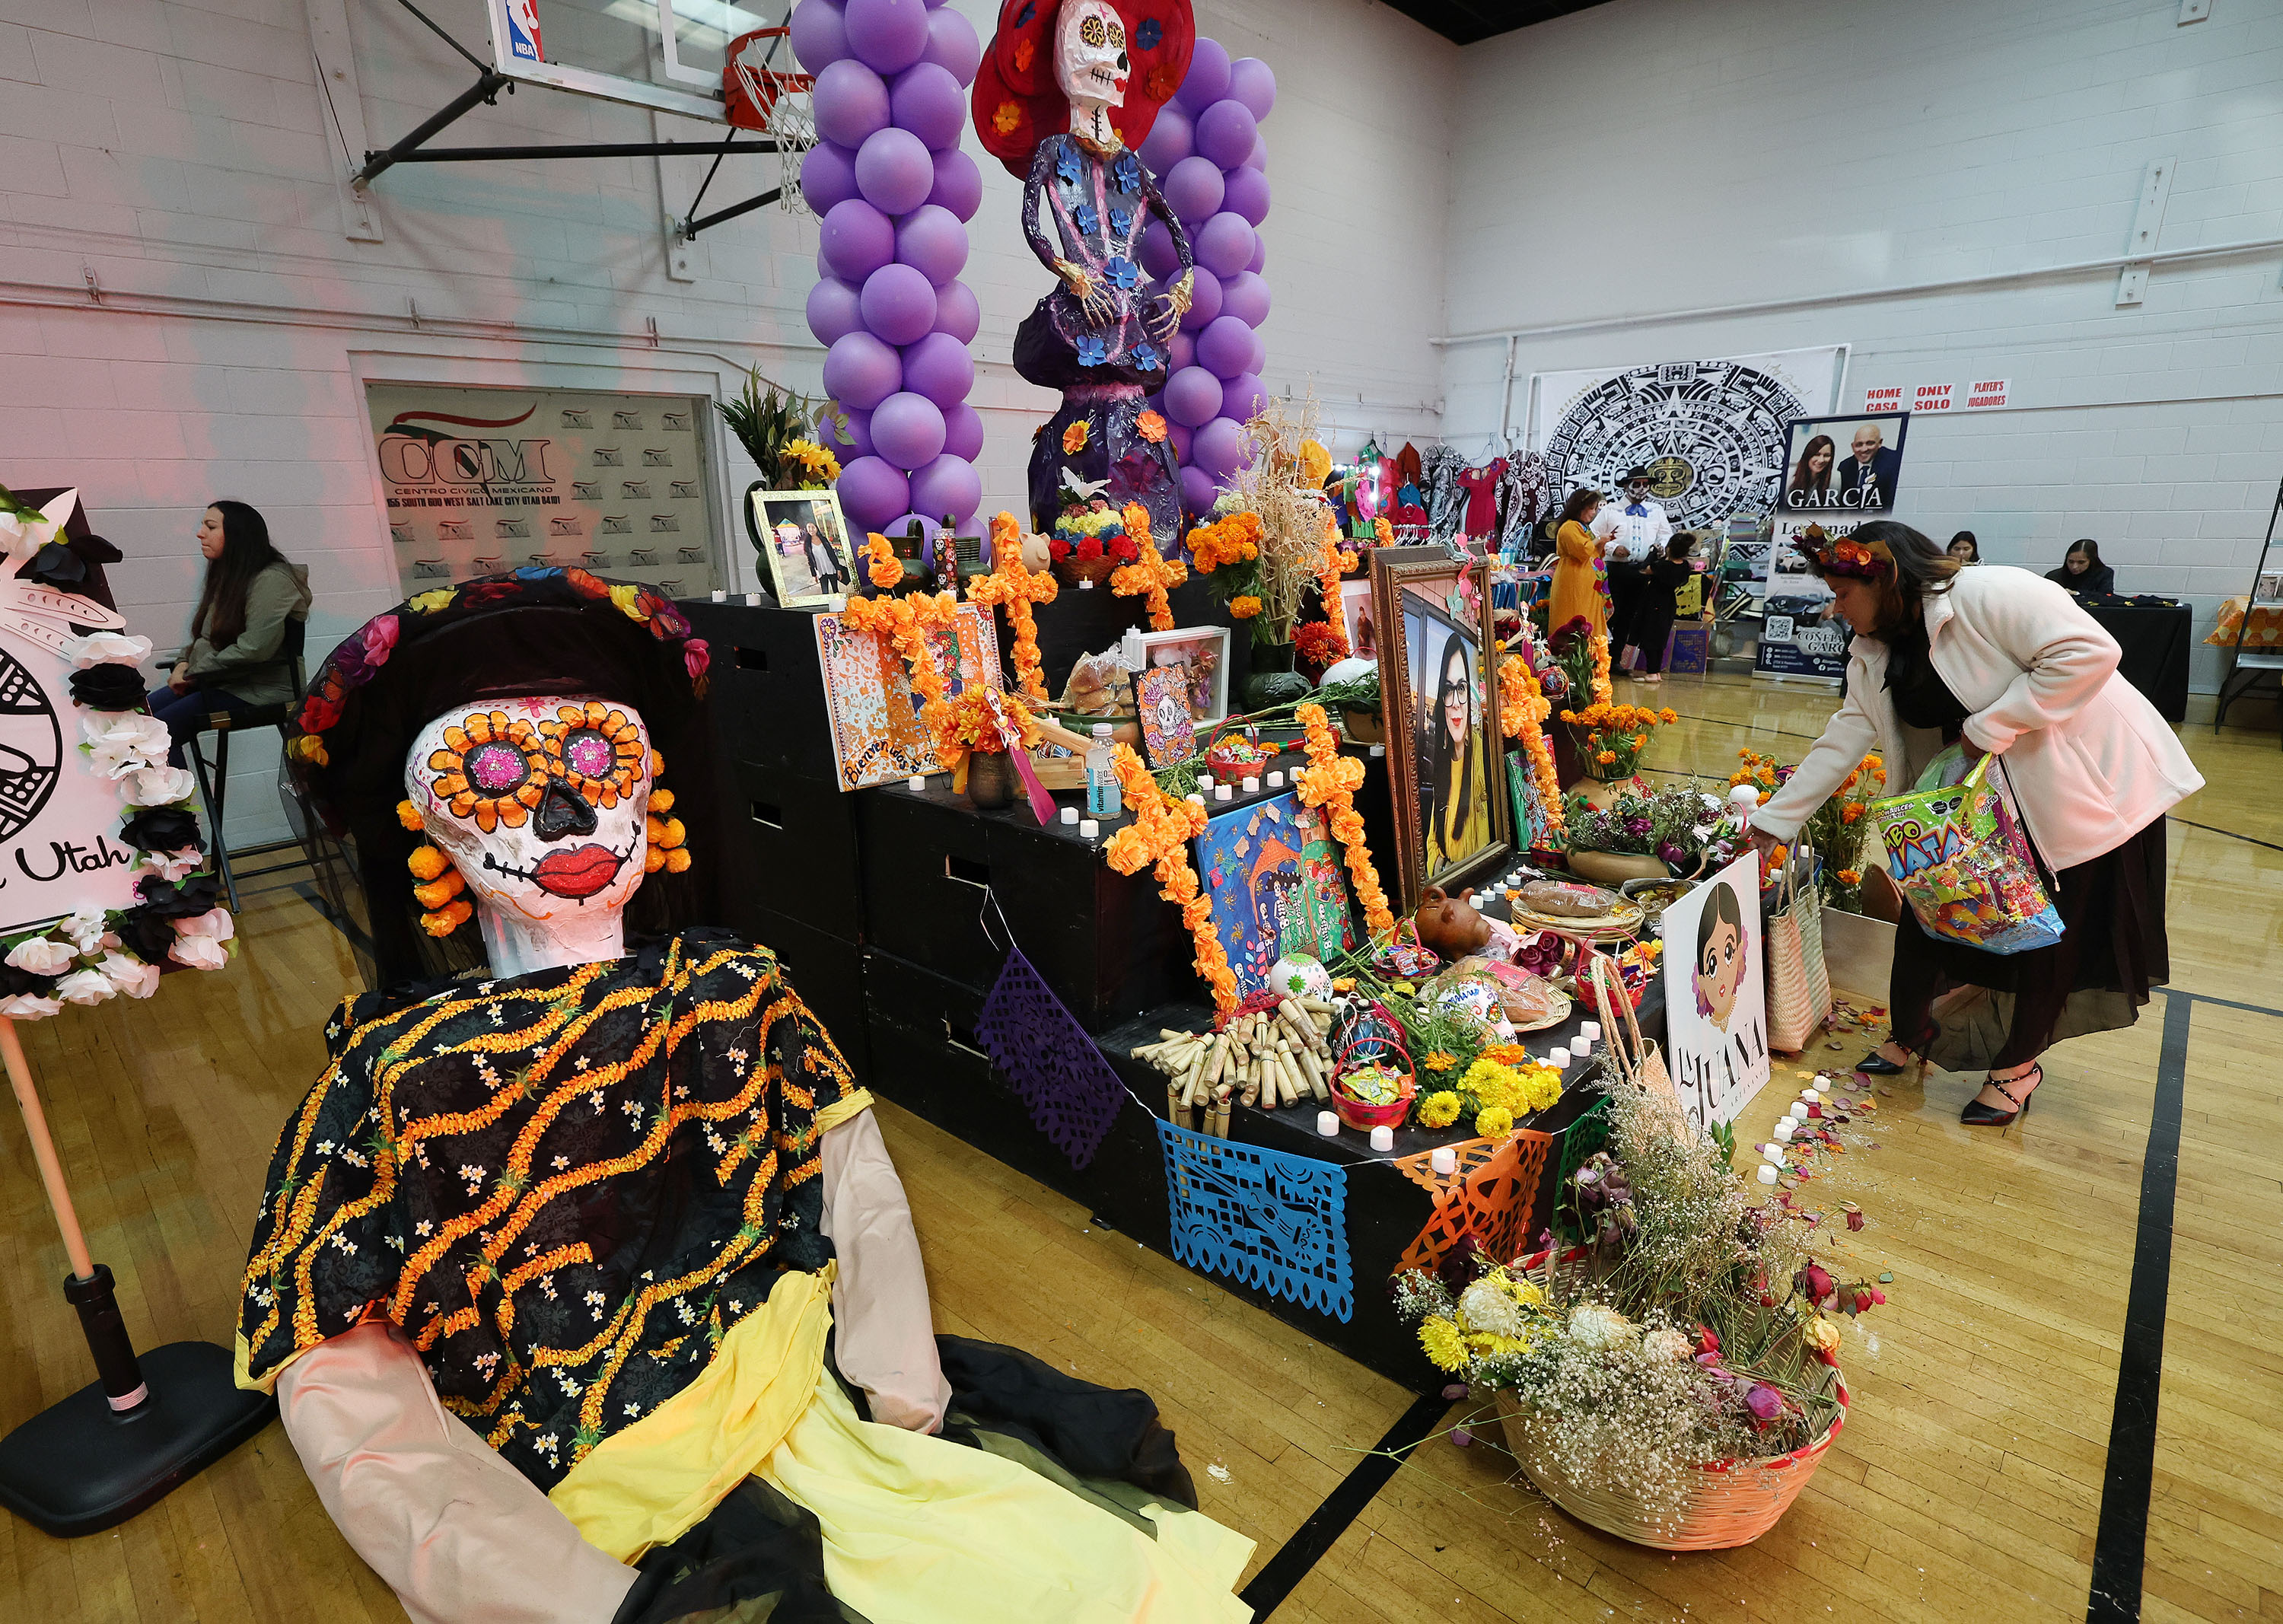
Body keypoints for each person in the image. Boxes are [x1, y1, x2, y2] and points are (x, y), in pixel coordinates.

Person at [247, 570, 1253, 1623]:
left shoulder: (729, 990)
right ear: (424, 817)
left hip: (765, 1365)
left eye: (598, 755)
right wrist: (555, 1589)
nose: (561, 810)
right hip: (566, 1463)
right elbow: (344, 1375)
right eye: (492, 769)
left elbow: (853, 1183)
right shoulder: (396, 1074)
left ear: (651, 783)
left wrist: (902, 1394)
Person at [1747, 522, 2202, 1126]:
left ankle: (2017, 1069)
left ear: (1884, 579)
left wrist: (1993, 723)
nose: (1835, 607)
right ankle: (1912, 1034)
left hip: (2071, 798)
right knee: (1928, 919)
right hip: (1971, 809)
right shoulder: (1877, 645)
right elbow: (1848, 735)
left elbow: (2091, 653)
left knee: (2043, 939)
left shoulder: (1992, 593)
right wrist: (1773, 823)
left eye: (1840, 593)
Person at [148, 501, 310, 766]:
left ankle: (173, 808)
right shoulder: (229, 576)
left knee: (159, 731)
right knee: (139, 719)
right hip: (223, 681)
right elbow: (203, 639)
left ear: (237, 535)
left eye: (210, 527)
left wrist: (192, 673)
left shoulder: (272, 579)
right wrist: (183, 664)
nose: (200, 533)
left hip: (263, 690)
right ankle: (159, 805)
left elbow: (254, 649)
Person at [1421, 632, 1489, 875]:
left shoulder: (1482, 752)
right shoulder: (1443, 760)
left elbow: (1485, 847)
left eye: (1461, 688)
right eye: (1449, 690)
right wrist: (1443, 868)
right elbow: (1432, 841)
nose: (1456, 703)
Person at [1591, 467, 1672, 661]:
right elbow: (1593, 534)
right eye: (1637, 484)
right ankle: (1601, 659)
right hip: (1615, 570)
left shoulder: (1656, 510)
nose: (1642, 489)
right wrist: (1612, 547)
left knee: (1631, 617)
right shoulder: (1610, 510)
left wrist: (1660, 547)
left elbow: (1666, 534)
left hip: (1643, 570)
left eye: (1646, 485)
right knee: (1611, 614)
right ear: (1626, 486)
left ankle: (1617, 659)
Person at [1625, 533, 1700, 685]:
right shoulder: (1685, 566)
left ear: (1670, 548)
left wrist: (1653, 554)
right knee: (1660, 637)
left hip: (1654, 602)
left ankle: (1652, 672)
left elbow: (1643, 569)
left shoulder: (1662, 566)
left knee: (1649, 636)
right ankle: (1655, 671)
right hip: (1669, 603)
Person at [1548, 487, 1608, 638]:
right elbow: (1583, 550)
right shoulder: (1569, 527)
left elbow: (1594, 552)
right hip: (1574, 582)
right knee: (1575, 619)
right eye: (1591, 509)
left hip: (1588, 586)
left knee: (1588, 620)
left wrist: (1601, 543)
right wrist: (1598, 539)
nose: (1594, 513)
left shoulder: (1583, 528)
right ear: (1580, 508)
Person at [1831, 424, 1901, 511]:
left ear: (1880, 443)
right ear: (1853, 447)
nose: (1864, 449)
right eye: (1859, 445)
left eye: (1870, 443)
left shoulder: (1895, 461)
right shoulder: (1845, 466)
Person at [2048, 538, 2115, 596]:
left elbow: (2106, 596)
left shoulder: (2104, 574)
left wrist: (2077, 593)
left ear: (2091, 561)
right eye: (2071, 561)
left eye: (2081, 562)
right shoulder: (2053, 576)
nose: (2074, 567)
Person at [1788, 435, 1836, 500]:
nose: (1821, 460)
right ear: (1808, 455)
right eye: (1817, 454)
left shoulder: (1836, 479)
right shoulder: (1789, 475)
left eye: (1826, 455)